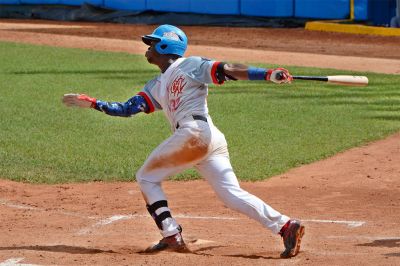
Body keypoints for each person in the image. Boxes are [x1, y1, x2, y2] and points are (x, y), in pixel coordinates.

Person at [62, 24, 305, 258]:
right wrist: (95, 104)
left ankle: (170, 233)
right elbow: (127, 109)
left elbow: (227, 68)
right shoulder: (157, 85)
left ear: (166, 47)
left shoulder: (190, 65)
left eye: (152, 43)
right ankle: (286, 226)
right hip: (207, 138)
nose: (147, 47)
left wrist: (267, 74)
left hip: (195, 134)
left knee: (146, 177)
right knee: (231, 194)